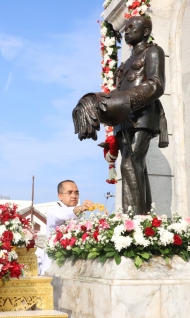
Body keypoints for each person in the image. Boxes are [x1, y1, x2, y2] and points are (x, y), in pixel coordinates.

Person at [72, 16, 166, 215]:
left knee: (130, 163)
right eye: (126, 27)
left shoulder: (153, 51)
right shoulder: (125, 64)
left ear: (146, 31)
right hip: (123, 119)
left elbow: (157, 84)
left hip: (143, 115)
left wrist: (125, 99)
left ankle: (133, 221)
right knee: (134, 164)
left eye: (132, 27)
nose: (127, 30)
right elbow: (117, 93)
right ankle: (143, 216)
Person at [41, 180, 94, 274]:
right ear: (60, 196)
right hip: (53, 267)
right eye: (69, 192)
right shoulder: (54, 210)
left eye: (76, 193)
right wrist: (81, 208)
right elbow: (62, 215)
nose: (74, 196)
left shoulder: (79, 213)